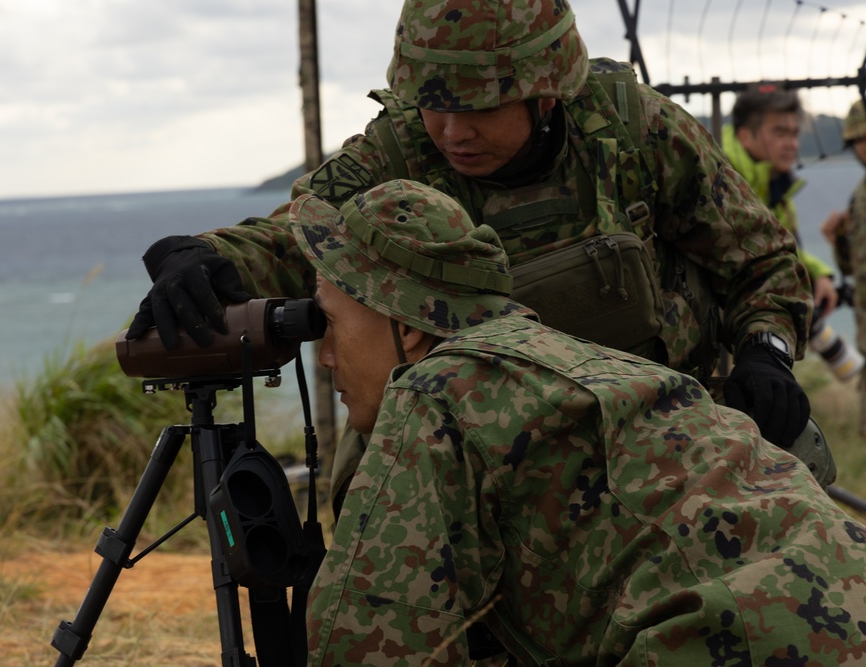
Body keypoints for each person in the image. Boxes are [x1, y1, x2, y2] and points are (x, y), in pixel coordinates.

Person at [126, 0, 814, 505]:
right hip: (478, 464)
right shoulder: (401, 151)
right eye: (434, 105)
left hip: (660, 443)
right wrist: (206, 255)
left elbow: (760, 261)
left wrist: (767, 352)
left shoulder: (632, 133)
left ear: (546, 94)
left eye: (481, 107)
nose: (452, 131)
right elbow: (296, 235)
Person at [292, 178, 866, 666]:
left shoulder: (435, 389)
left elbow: (367, 638)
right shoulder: (575, 359)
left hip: (729, 637)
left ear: (408, 325)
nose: (324, 356)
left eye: (331, 322)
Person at [723, 86, 862, 382]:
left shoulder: (774, 184)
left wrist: (819, 273)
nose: (792, 144)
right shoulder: (725, 181)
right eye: (780, 133)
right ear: (745, 136)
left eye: (795, 134)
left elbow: (780, 245)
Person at [822, 98, 866, 435]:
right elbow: (853, 267)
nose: (863, 148)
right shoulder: (860, 195)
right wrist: (838, 239)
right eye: (857, 141)